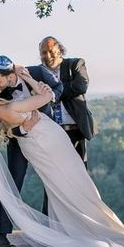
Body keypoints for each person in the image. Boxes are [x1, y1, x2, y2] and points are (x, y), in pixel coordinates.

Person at [0, 72, 124, 247]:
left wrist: (23, 128)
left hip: (37, 145)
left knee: (61, 185)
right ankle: (95, 225)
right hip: (48, 143)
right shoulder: (9, 107)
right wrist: (29, 78)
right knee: (76, 181)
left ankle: (79, 224)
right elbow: (46, 96)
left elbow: (14, 130)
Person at [0, 55, 63, 247]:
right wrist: (22, 130)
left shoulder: (35, 72)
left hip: (45, 136)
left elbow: (58, 87)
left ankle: (53, 231)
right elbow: (1, 123)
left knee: (53, 180)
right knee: (13, 183)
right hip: (18, 139)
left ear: (11, 76)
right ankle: (1, 235)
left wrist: (47, 98)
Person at [38, 37, 97, 214]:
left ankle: (85, 219)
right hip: (52, 132)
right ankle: (51, 222)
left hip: (75, 131)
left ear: (59, 49)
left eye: (50, 51)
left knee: (80, 180)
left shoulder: (75, 64)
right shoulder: (38, 73)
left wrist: (53, 93)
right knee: (52, 179)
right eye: (43, 52)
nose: (47, 55)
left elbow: (81, 86)